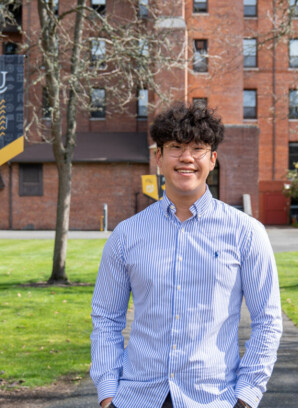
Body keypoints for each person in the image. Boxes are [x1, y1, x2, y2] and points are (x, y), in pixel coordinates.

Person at [90, 103, 283, 408]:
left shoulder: (246, 233)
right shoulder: (126, 235)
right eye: (176, 147)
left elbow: (268, 320)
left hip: (214, 399)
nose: (187, 158)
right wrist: (108, 392)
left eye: (198, 148)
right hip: (136, 398)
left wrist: (247, 395)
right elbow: (106, 319)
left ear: (213, 159)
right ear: (159, 157)